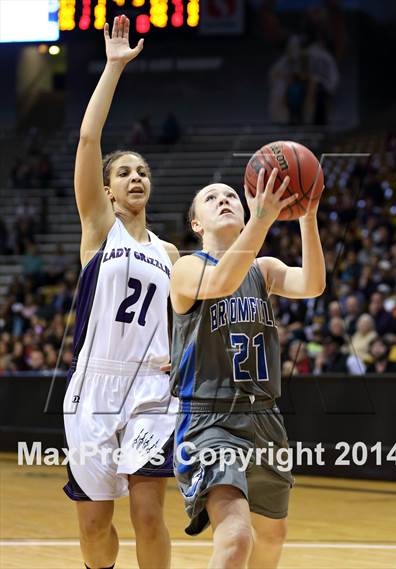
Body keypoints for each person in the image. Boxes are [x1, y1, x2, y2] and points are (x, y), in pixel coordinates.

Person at [62, 15, 179, 569]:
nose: (135, 178)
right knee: (93, 527)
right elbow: (89, 138)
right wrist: (112, 68)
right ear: (107, 187)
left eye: (142, 172)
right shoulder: (97, 230)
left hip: (152, 392)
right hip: (95, 385)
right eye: (124, 172)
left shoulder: (169, 253)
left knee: (150, 514)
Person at [170, 168, 326, 569]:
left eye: (231, 196)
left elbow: (312, 284)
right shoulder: (187, 268)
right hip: (210, 417)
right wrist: (262, 219)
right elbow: (221, 282)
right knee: (236, 535)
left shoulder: (264, 269)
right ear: (196, 224)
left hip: (265, 417)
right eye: (211, 198)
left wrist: (306, 215)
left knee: (272, 536)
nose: (224, 199)